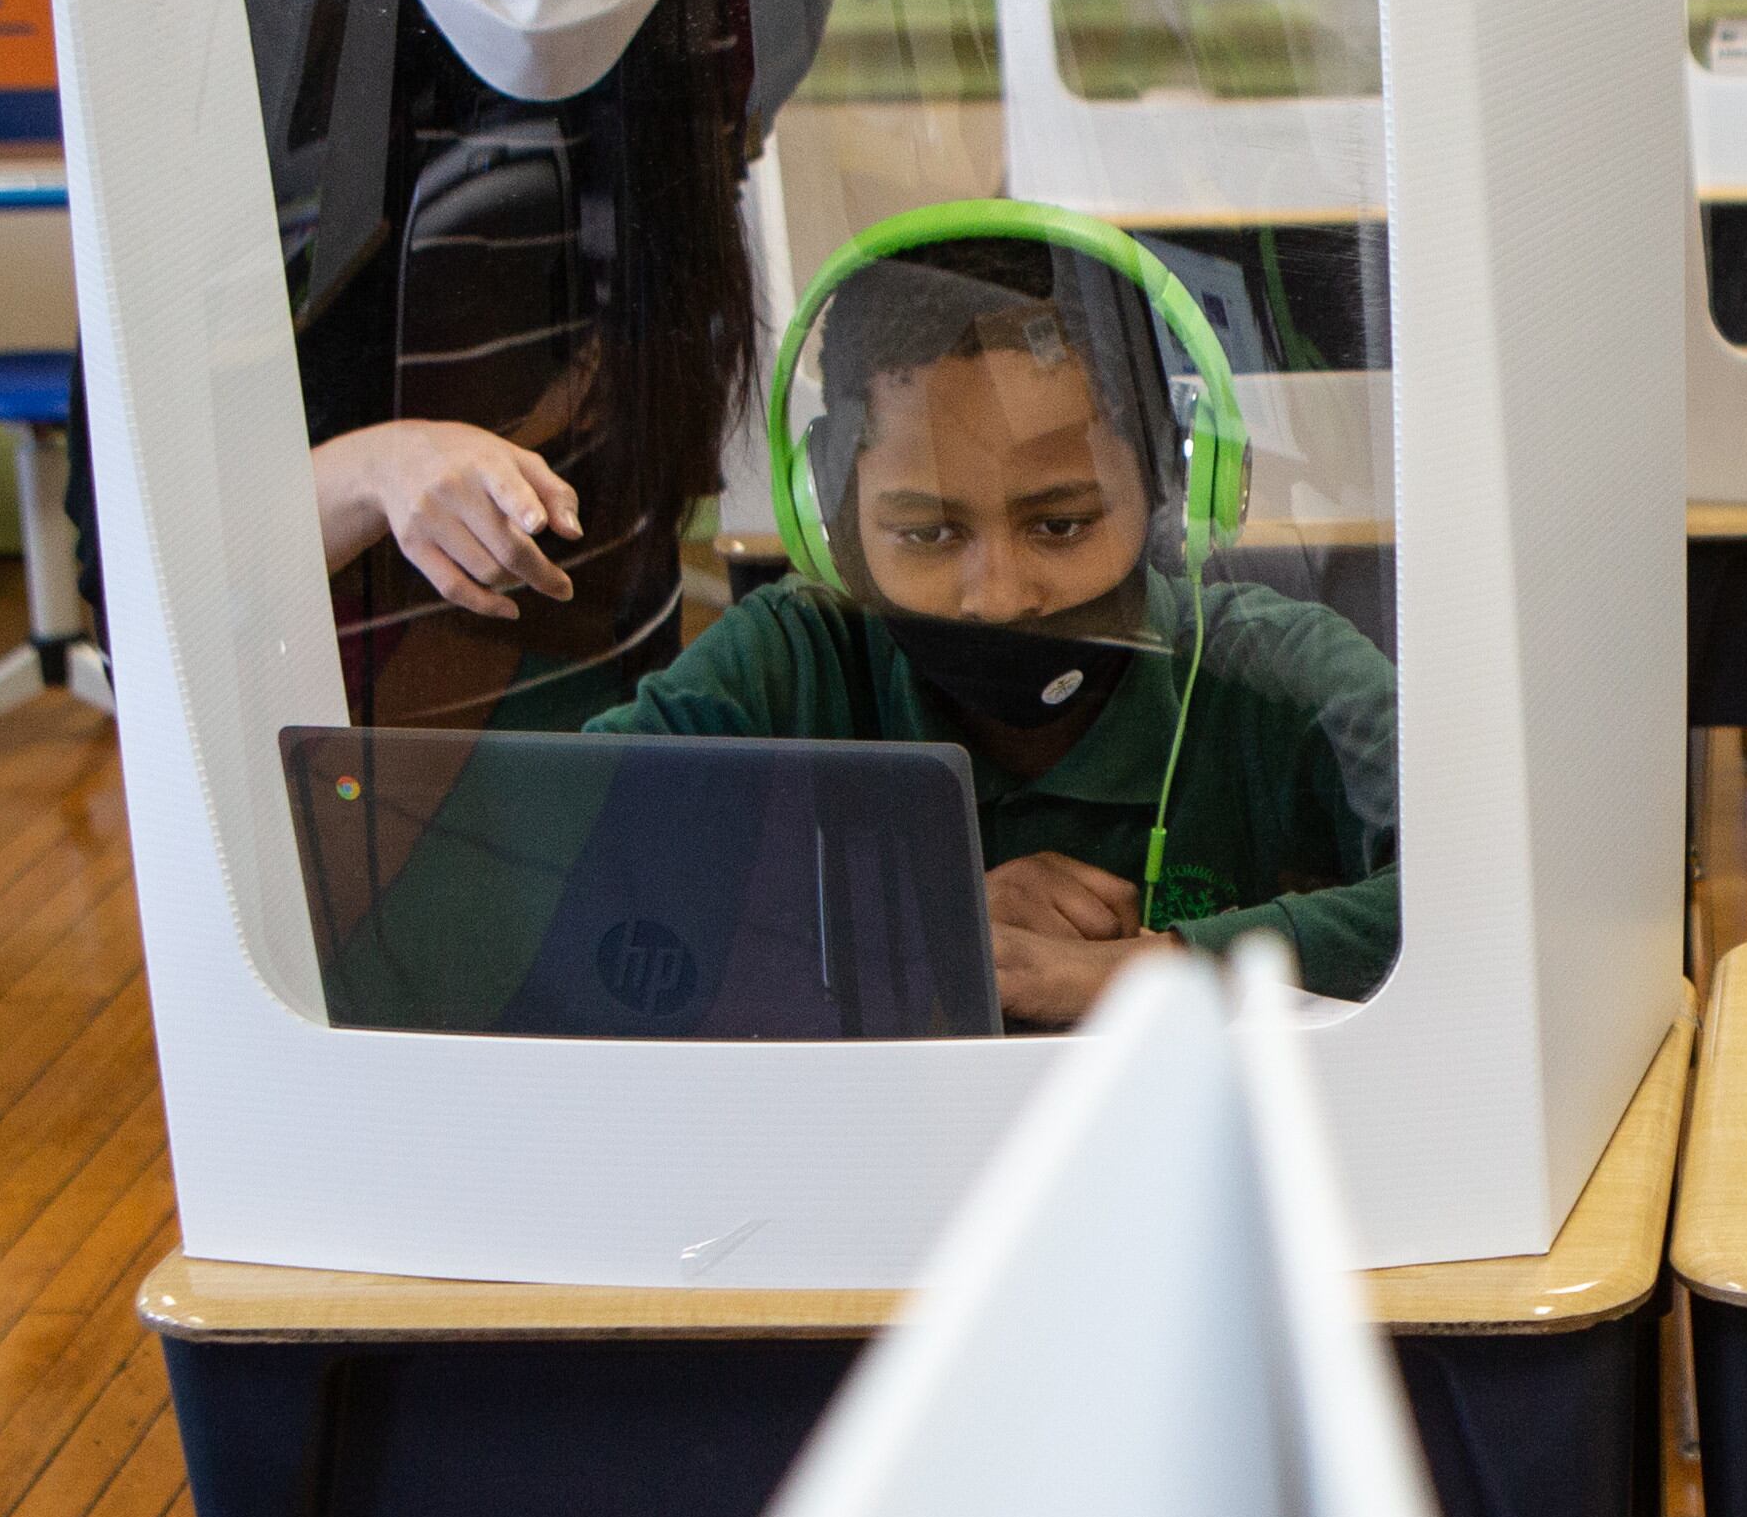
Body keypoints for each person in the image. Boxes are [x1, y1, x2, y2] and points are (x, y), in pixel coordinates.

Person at [228, 0, 834, 1517]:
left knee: (630, 1163)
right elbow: (155, 544)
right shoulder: (250, 42)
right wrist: (368, 472)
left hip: (621, 656)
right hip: (337, 717)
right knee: (406, 1205)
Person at [235, 0, 836, 738]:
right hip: (330, 661)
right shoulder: (262, 6)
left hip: (610, 599)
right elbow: (142, 515)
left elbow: (709, 199)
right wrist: (376, 467)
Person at [582, 224, 1400, 1026]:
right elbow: (555, 866)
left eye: (1061, 524)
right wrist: (924, 918)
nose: (1000, 597)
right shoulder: (792, 661)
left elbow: (1491, 873)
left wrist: (1163, 970)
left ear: (1177, 485)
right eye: (930, 534)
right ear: (828, 511)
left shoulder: (1265, 672)